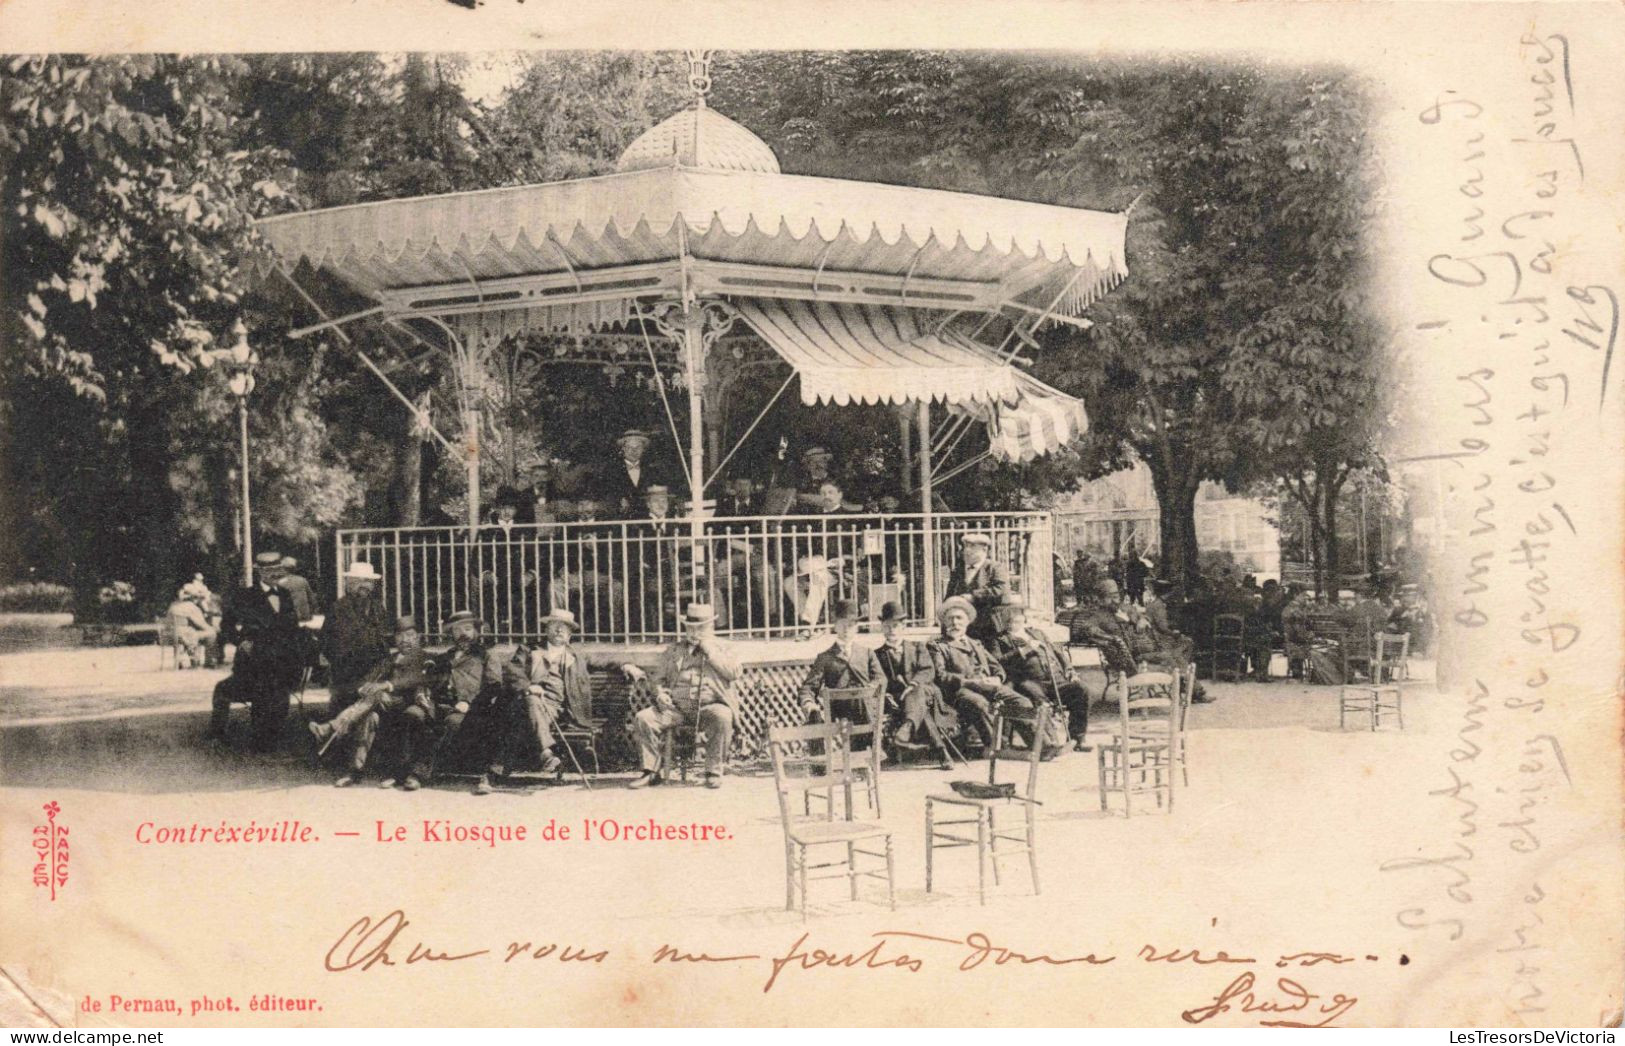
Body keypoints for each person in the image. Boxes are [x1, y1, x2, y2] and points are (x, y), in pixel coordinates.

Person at [622, 603, 741, 789]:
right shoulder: (674, 650)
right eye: (690, 628)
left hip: (710, 706)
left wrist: (710, 651)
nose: (694, 633)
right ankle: (651, 772)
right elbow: (657, 680)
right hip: (676, 709)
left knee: (723, 716)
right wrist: (660, 693)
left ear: (711, 628)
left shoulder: (725, 647)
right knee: (644, 718)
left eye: (700, 629)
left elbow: (734, 672)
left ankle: (713, 772)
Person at [307, 615, 430, 787]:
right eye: (400, 636)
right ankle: (354, 772)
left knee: (378, 695)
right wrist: (364, 687)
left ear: (418, 637)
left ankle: (332, 727)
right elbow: (369, 679)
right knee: (369, 717)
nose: (405, 640)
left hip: (408, 704)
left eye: (409, 635)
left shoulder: (426, 658)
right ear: (394, 639)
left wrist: (385, 685)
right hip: (382, 705)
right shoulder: (389, 659)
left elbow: (416, 679)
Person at [499, 607, 612, 788]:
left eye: (564, 627)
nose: (559, 630)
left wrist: (628, 666)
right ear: (546, 629)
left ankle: (500, 769)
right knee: (531, 701)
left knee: (526, 716)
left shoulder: (577, 656)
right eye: (555, 625)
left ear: (569, 634)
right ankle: (546, 753)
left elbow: (605, 661)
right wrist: (529, 687)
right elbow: (513, 671)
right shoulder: (529, 649)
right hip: (528, 702)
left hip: (560, 710)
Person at [403, 610, 509, 795]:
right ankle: (401, 770)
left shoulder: (486, 655)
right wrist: (421, 694)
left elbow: (494, 686)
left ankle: (419, 773)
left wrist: (470, 704)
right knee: (413, 713)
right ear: (451, 633)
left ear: (476, 632)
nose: (463, 634)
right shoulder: (443, 657)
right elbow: (426, 681)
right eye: (457, 629)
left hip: (466, 708)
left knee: (453, 722)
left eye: (468, 629)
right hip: (438, 705)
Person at [209, 551, 306, 752]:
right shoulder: (244, 596)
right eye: (269, 570)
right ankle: (255, 740)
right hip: (254, 661)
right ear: (259, 572)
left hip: (281, 661)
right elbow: (226, 626)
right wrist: (241, 641)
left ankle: (272, 737)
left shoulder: (285, 595)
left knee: (279, 695)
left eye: (277, 570)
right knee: (253, 692)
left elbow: (293, 628)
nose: (274, 574)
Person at [925, 595, 1030, 751]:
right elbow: (941, 676)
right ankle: (997, 746)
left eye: (959, 618)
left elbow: (996, 666)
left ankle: (1041, 743)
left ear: (967, 621)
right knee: (981, 704)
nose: (955, 623)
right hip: (959, 692)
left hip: (988, 687)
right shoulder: (938, 645)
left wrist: (997, 678)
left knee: (1021, 703)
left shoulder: (976, 643)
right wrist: (970, 682)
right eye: (951, 619)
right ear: (944, 622)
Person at [989, 597, 1092, 752]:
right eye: (1010, 614)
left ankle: (1077, 739)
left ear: (1023, 617)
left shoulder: (1037, 633)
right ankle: (1051, 743)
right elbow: (998, 661)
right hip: (1029, 681)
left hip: (1056, 679)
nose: (1015, 617)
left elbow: (1059, 653)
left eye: (1018, 614)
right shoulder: (999, 640)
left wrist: (1070, 670)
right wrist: (1024, 650)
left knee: (1082, 690)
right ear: (1004, 618)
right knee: (1039, 702)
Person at [873, 600, 955, 770]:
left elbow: (927, 670)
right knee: (920, 709)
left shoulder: (917, 647)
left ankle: (907, 728)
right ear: (882, 628)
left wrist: (913, 684)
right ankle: (941, 751)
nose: (892, 630)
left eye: (896, 626)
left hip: (925, 691)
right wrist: (886, 695)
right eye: (887, 626)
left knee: (917, 694)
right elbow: (877, 679)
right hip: (897, 699)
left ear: (903, 627)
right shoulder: (876, 655)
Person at [796, 599, 884, 741]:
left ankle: (868, 749)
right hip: (840, 709)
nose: (846, 629)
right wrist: (809, 704)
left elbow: (880, 678)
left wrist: (871, 688)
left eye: (850, 625)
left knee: (863, 705)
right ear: (835, 626)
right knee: (817, 718)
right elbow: (808, 687)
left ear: (856, 627)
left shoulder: (866, 653)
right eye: (842, 624)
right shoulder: (825, 657)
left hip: (864, 706)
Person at [320, 561, 392, 719]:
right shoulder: (338, 609)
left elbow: (386, 640)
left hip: (376, 673)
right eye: (359, 581)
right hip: (347, 676)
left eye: (368, 581)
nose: (364, 585)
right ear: (349, 583)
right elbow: (328, 645)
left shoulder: (378, 608)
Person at [943, 532, 1009, 647]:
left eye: (972, 547)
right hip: (963, 626)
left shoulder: (994, 568)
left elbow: (1001, 589)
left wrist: (974, 596)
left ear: (984, 549)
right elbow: (949, 596)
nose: (966, 551)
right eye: (965, 547)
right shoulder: (958, 571)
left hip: (988, 626)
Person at [602, 428, 660, 518]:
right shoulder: (611, 472)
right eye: (629, 447)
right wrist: (618, 501)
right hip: (621, 521)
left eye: (638, 447)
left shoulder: (652, 471)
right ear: (623, 449)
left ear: (643, 449)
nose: (634, 451)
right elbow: (606, 498)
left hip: (647, 521)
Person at [167, 587, 218, 669]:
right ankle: (209, 661)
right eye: (197, 597)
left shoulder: (173, 605)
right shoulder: (191, 607)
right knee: (211, 633)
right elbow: (202, 624)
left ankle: (183, 661)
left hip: (169, 636)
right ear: (194, 598)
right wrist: (212, 628)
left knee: (193, 633)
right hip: (184, 636)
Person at [278, 556, 316, 623]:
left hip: (290, 618)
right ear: (294, 568)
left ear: (283, 568)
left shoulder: (280, 582)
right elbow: (312, 599)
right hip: (305, 616)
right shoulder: (302, 580)